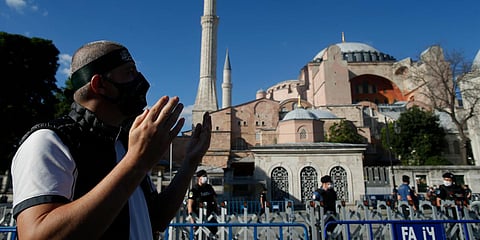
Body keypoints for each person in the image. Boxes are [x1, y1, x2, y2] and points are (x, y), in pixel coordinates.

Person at [11, 40, 212, 239]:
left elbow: (155, 219)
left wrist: (190, 163)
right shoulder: (49, 142)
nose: (142, 81)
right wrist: (136, 163)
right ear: (99, 85)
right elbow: (37, 234)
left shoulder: (124, 144)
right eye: (130, 72)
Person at [187, 169, 218, 236]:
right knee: (199, 235)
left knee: (212, 234)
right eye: (204, 176)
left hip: (210, 216)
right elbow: (189, 205)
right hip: (198, 217)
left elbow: (214, 199)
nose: (205, 178)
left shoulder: (209, 187)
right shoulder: (194, 190)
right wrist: (192, 220)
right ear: (199, 178)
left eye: (206, 176)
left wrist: (216, 211)